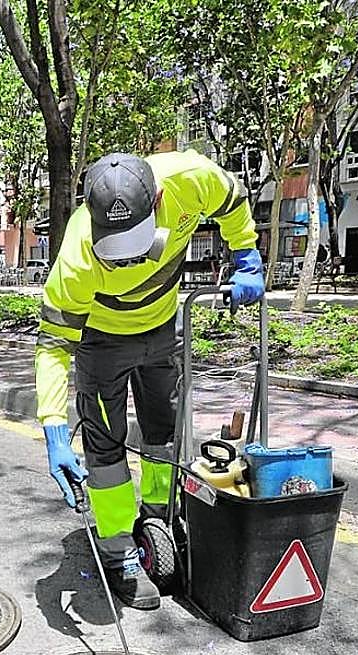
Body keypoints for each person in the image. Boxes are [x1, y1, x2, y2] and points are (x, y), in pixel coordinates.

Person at [36, 151, 264, 609]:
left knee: (163, 429)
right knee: (106, 446)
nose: (123, 263)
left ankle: (159, 516)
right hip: (102, 343)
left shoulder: (191, 180)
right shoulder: (77, 255)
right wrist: (54, 431)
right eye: (113, 252)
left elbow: (233, 198)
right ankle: (118, 547)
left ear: (158, 200)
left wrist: (246, 253)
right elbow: (55, 345)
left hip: (164, 329)